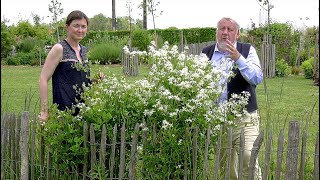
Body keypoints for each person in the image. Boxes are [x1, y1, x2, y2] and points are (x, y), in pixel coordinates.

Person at [202, 17, 263, 179]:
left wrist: (238, 59)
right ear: (217, 32)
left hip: (245, 118)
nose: (225, 33)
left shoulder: (247, 50)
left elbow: (257, 78)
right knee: (225, 167)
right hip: (218, 120)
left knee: (249, 157)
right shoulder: (206, 53)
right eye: (222, 29)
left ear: (237, 34)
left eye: (230, 29)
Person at [39, 10, 103, 124]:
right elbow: (43, 79)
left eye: (83, 26)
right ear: (67, 27)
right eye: (76, 26)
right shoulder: (59, 49)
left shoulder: (84, 51)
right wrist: (44, 111)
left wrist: (95, 80)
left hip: (84, 111)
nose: (80, 30)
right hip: (65, 113)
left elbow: (81, 82)